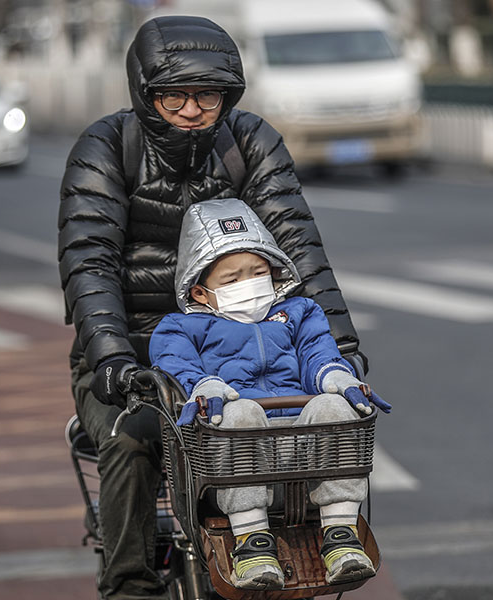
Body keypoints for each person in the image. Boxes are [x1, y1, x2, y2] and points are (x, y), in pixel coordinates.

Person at [58, 15, 369, 600]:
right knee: (131, 439)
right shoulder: (106, 147)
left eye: (209, 94)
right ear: (144, 92)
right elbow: (89, 263)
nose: (194, 108)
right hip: (136, 353)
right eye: (174, 95)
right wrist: (113, 361)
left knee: (313, 426)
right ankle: (129, 584)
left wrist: (343, 347)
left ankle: (312, 544)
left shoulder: (251, 140)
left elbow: (298, 247)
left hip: (250, 344)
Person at [148, 198, 391, 590]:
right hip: (234, 456)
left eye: (257, 272)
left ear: (275, 273)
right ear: (200, 293)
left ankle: (341, 535)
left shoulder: (298, 312)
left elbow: (318, 353)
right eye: (231, 279)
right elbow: (174, 361)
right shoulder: (182, 327)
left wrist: (338, 379)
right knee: (239, 413)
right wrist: (204, 385)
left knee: (334, 406)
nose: (248, 284)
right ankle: (252, 542)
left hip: (300, 448)